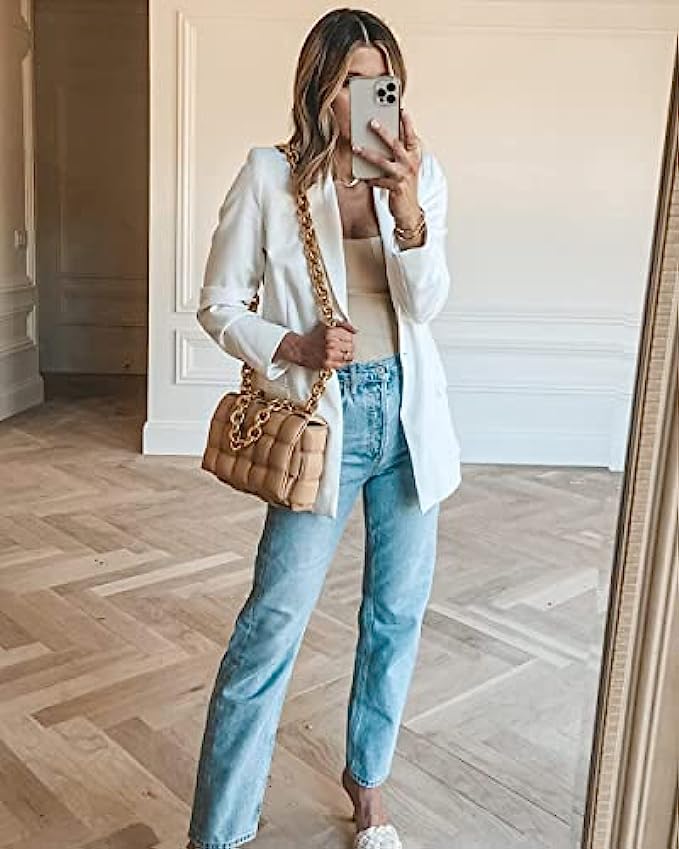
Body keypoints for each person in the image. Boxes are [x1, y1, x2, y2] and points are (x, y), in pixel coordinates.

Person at [187, 8, 461, 849]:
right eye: (352, 80)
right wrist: (293, 345)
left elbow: (427, 305)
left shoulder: (419, 174)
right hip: (325, 422)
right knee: (270, 625)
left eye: (384, 81)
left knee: (395, 615)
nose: (372, 98)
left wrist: (407, 211)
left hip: (407, 421)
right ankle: (219, 831)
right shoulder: (270, 175)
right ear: (319, 87)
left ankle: (367, 784)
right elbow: (218, 304)